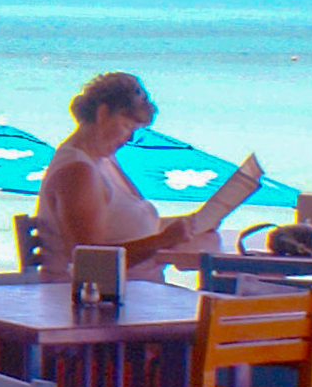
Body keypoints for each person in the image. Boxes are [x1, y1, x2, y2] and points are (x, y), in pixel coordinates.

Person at [37, 72, 201, 279]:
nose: (129, 138)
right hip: (100, 301)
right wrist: (162, 241)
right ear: (103, 113)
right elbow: (90, 263)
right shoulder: (78, 172)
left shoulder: (102, 160)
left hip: (135, 293)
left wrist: (183, 228)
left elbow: (119, 228)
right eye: (127, 126)